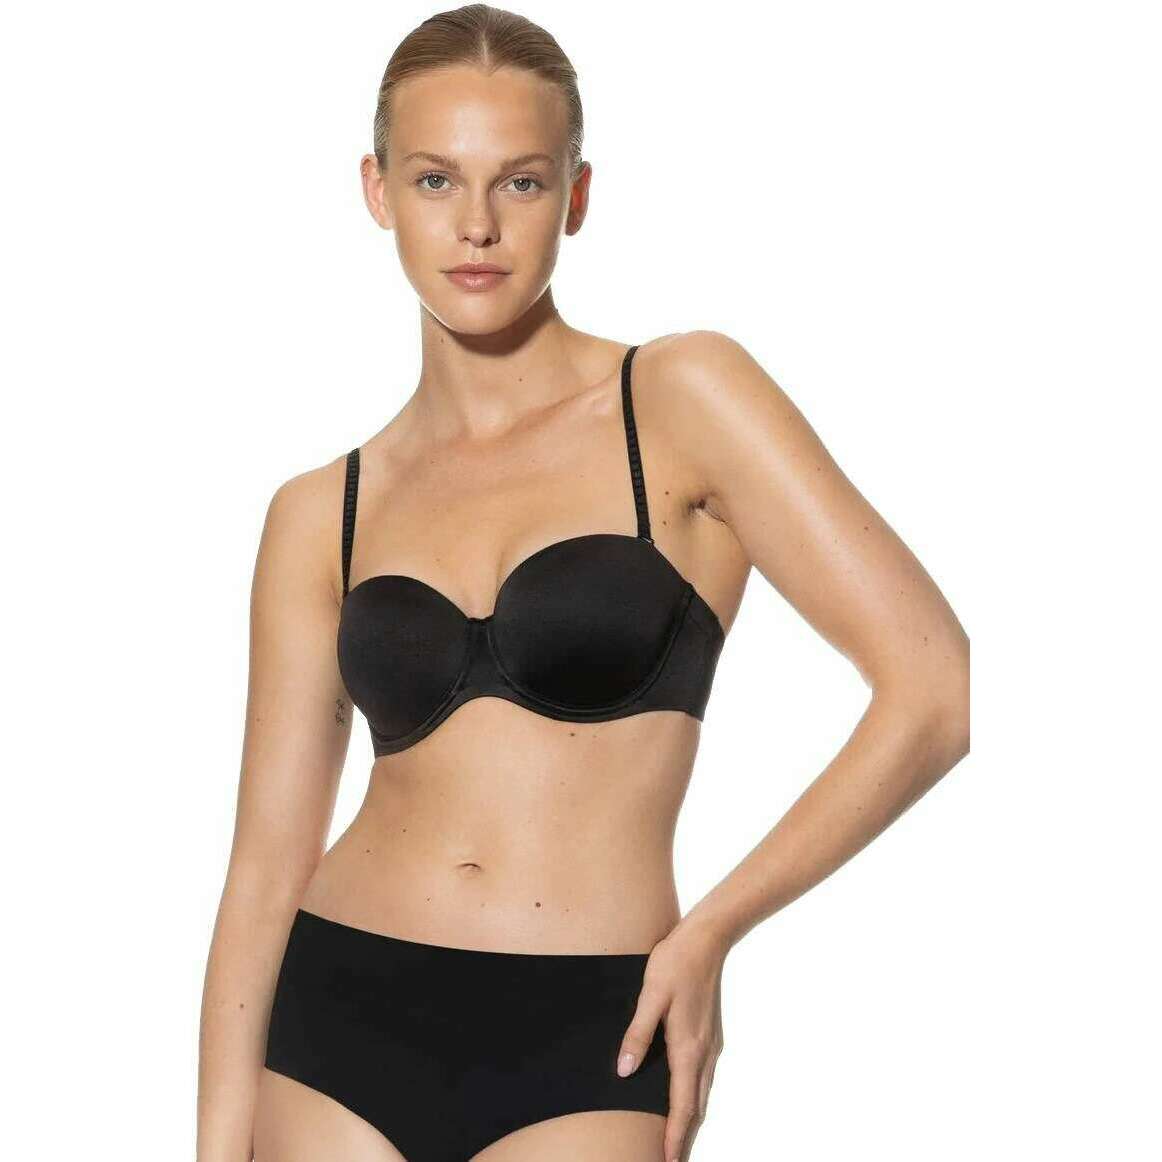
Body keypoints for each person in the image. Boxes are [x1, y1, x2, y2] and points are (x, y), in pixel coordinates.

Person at [196, 6, 970, 1161]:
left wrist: (712, 928)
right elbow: (262, 872)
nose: (475, 224)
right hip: (335, 1022)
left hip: (593, 1027)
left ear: (576, 194)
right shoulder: (323, 509)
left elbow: (935, 690)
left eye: (518, 181)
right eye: (433, 179)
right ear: (376, 191)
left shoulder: (680, 401)